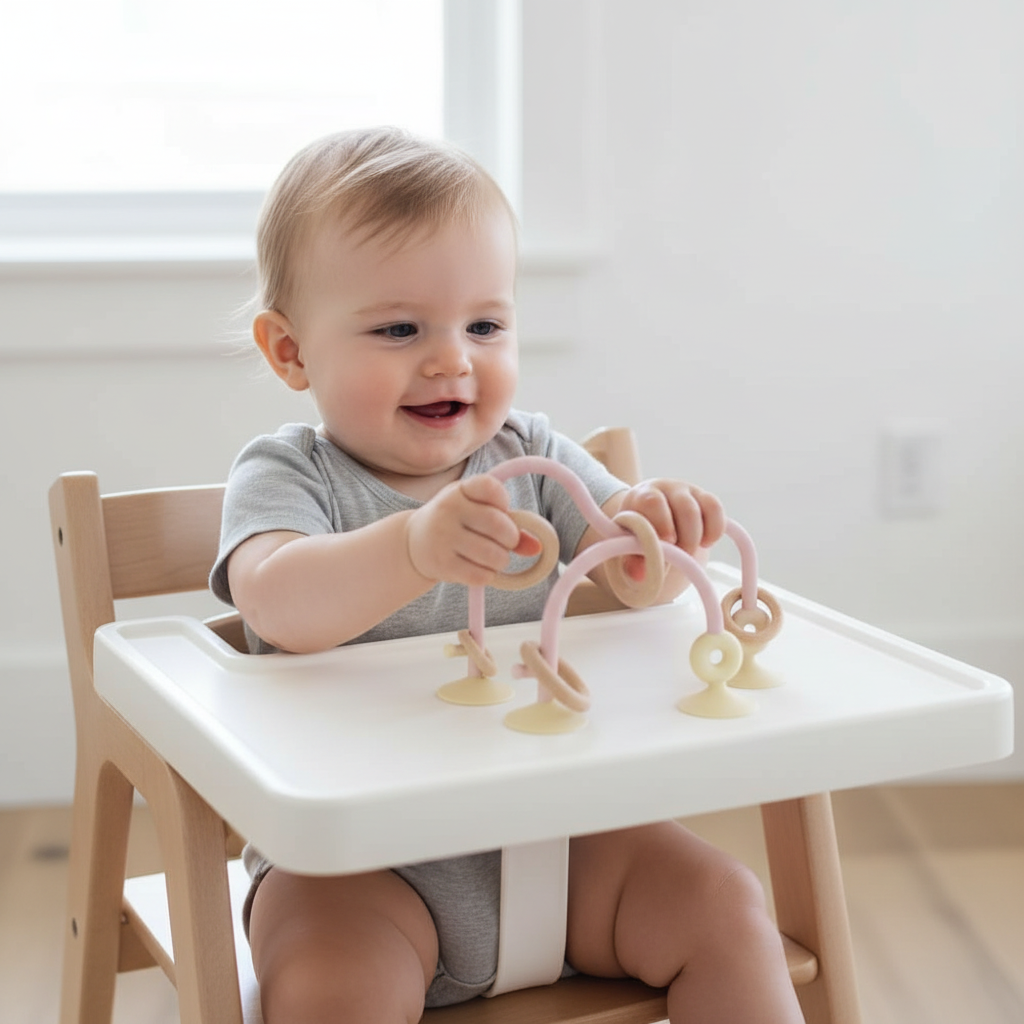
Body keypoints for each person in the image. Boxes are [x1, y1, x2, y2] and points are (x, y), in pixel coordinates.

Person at [211, 126, 804, 1024]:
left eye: (484, 325)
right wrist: (412, 548)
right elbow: (279, 601)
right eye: (399, 328)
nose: (452, 358)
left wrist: (659, 538)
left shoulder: (532, 454)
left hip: (561, 839)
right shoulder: (288, 477)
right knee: (336, 989)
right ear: (290, 351)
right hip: (363, 872)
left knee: (725, 906)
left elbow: (627, 570)